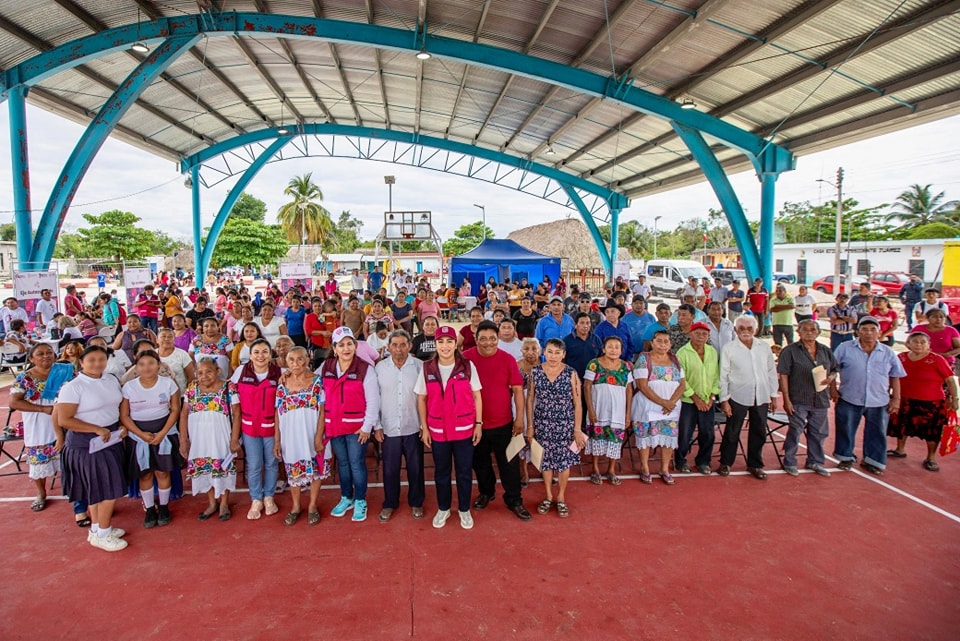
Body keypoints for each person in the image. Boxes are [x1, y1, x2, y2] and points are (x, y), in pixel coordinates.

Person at [57, 345, 129, 552]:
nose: (97, 363)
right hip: (87, 444)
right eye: (92, 360)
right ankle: (103, 534)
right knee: (107, 490)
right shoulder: (73, 386)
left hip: (110, 439)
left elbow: (116, 407)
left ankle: (98, 529)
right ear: (81, 362)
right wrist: (95, 429)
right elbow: (64, 419)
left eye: (101, 359)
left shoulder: (110, 379)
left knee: (101, 488)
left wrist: (120, 426)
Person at [416, 325, 482, 529]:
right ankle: (443, 508)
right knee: (442, 472)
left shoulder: (468, 366)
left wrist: (478, 424)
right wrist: (424, 428)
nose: (445, 346)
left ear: (456, 344)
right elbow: (421, 398)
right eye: (440, 341)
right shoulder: (427, 367)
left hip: (464, 429)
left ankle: (464, 510)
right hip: (438, 431)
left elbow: (477, 396)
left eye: (449, 341)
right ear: (435, 344)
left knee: (463, 472)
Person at [464, 320, 530, 521]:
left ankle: (514, 500)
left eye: (492, 338)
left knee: (509, 464)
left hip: (504, 423)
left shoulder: (508, 359)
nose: (488, 343)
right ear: (475, 340)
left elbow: (518, 391)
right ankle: (486, 492)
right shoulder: (466, 359)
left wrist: (519, 418)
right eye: (482, 339)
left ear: (498, 338)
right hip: (475, 425)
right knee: (480, 463)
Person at [831, 316, 906, 476]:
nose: (869, 333)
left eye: (873, 329)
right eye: (864, 329)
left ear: (879, 332)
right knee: (845, 428)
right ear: (857, 331)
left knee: (877, 431)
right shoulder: (845, 348)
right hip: (849, 397)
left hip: (879, 400)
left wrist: (896, 398)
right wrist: (832, 389)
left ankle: (873, 460)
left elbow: (895, 376)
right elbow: (831, 369)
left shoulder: (887, 352)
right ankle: (845, 457)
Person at [321, 327, 381, 523]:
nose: (346, 348)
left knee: (356, 464)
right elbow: (309, 381)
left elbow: (373, 401)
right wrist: (286, 375)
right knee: (343, 464)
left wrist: (367, 427)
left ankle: (361, 499)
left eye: (349, 344)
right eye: (341, 345)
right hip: (335, 426)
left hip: (357, 428)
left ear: (355, 346)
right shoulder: (326, 367)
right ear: (334, 348)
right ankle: (346, 497)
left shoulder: (365, 369)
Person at [120, 350, 183, 528]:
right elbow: (124, 416)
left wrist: (162, 433)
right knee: (145, 473)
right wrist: (141, 435)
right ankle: (149, 509)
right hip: (138, 435)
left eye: (151, 363)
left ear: (158, 365)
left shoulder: (168, 384)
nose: (146, 367)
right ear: (136, 367)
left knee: (162, 472)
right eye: (142, 364)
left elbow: (175, 410)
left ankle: (163, 507)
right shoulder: (129, 387)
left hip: (164, 433)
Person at [526, 339, 584, 518]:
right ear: (544, 352)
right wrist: (530, 425)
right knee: (546, 461)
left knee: (563, 462)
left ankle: (560, 497)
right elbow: (529, 400)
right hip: (542, 423)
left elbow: (577, 403)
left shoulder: (571, 373)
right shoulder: (535, 372)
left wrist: (577, 429)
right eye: (550, 352)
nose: (553, 356)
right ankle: (549, 496)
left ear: (564, 354)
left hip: (565, 425)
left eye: (557, 352)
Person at [887, 331, 959, 472]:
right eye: (915, 341)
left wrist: (954, 398)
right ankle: (900, 449)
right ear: (908, 343)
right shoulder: (901, 357)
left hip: (931, 402)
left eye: (922, 342)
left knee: (932, 431)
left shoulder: (937, 359)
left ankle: (931, 458)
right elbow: (892, 377)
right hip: (905, 400)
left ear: (929, 345)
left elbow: (950, 380)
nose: (919, 344)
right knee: (902, 425)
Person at [718, 315, 778, 479]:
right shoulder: (729, 348)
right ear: (735, 330)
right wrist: (724, 400)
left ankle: (755, 464)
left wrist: (773, 395)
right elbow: (723, 375)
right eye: (741, 328)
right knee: (732, 430)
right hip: (737, 395)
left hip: (762, 395)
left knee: (759, 431)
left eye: (749, 328)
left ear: (756, 330)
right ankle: (725, 462)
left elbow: (771, 372)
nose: (745, 331)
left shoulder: (764, 347)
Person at [273, 347, 328, 526]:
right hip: (290, 435)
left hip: (312, 432)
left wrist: (319, 436)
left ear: (307, 359)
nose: (296, 364)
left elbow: (322, 412)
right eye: (291, 360)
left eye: (300, 359)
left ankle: (312, 505)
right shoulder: (282, 384)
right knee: (293, 471)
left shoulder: (318, 382)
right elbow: (278, 413)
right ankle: (296, 506)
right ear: (286, 363)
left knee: (316, 470)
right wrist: (277, 440)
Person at [374, 330, 425, 522]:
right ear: (388, 347)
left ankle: (417, 502)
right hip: (388, 428)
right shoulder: (380, 368)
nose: (398, 349)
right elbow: (374, 398)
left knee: (416, 468)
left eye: (403, 344)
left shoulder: (419, 366)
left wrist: (424, 425)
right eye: (394, 345)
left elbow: (425, 398)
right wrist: (377, 426)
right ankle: (390, 503)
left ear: (410, 346)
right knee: (390, 469)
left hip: (413, 426)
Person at [777, 319, 839, 477]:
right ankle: (790, 461)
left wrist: (831, 380)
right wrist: (786, 399)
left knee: (818, 432)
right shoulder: (790, 351)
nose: (809, 332)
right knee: (795, 430)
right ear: (798, 332)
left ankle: (815, 461)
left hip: (820, 398)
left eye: (813, 329)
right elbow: (783, 375)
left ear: (818, 332)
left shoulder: (825, 350)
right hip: (799, 398)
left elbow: (834, 369)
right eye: (805, 329)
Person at [179, 357, 236, 522]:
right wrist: (184, 439)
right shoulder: (191, 389)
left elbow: (237, 413)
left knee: (222, 466)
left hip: (221, 435)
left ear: (218, 371)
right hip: (199, 437)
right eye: (200, 372)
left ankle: (224, 503)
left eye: (209, 371)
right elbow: (183, 414)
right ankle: (212, 503)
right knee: (204, 467)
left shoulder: (229, 387)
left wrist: (234, 438)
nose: (204, 376)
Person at [230, 338, 282, 519]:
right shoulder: (240, 372)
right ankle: (256, 499)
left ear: (270, 354)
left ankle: (269, 496)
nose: (261, 356)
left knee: (271, 463)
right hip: (249, 428)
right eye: (257, 352)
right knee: (254, 465)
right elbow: (231, 393)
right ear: (250, 355)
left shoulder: (280, 373)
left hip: (271, 428)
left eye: (265, 352)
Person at [9, 344, 61, 512]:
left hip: (63, 419)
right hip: (38, 422)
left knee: (67, 456)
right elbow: (14, 402)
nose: (46, 356)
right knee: (39, 460)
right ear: (31, 358)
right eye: (40, 354)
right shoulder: (25, 377)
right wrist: (43, 409)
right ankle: (41, 492)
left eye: (49, 353)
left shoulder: (64, 372)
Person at [632, 329, 685, 485]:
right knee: (645, 436)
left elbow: (682, 384)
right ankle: (645, 467)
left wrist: (671, 402)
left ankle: (664, 468)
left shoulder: (675, 359)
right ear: (652, 342)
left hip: (670, 409)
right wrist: (663, 402)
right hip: (647, 407)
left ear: (670, 344)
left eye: (666, 341)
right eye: (659, 341)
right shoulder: (644, 359)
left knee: (668, 436)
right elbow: (642, 385)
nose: (663, 344)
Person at [583, 336, 633, 486]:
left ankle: (611, 470)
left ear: (621, 350)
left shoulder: (626, 367)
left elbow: (629, 390)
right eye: (610, 346)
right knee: (596, 438)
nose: (613, 350)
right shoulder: (594, 364)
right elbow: (587, 387)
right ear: (603, 349)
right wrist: (591, 410)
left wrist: (627, 414)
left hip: (617, 411)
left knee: (615, 439)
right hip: (598, 409)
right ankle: (595, 469)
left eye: (617, 347)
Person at [675, 322, 719, 476]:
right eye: (697, 333)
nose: (701, 336)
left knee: (708, 433)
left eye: (705, 334)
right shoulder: (682, 353)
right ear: (690, 334)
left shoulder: (712, 352)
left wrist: (712, 397)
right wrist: (695, 398)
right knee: (685, 433)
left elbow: (716, 376)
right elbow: (682, 379)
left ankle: (703, 461)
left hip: (708, 400)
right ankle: (680, 460)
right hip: (688, 401)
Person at [913, 308, 960, 376]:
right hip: (921, 360)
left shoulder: (951, 330)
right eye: (935, 317)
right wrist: (921, 352)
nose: (938, 319)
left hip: (945, 362)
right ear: (928, 318)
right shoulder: (919, 328)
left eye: (942, 317)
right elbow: (908, 343)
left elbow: (958, 348)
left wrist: (947, 354)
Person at [156, 328, 194, 392]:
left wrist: (188, 394)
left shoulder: (182, 354)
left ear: (174, 340)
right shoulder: (152, 355)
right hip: (158, 396)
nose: (167, 339)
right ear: (157, 340)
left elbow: (191, 377)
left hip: (180, 395)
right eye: (163, 336)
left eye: (170, 336)